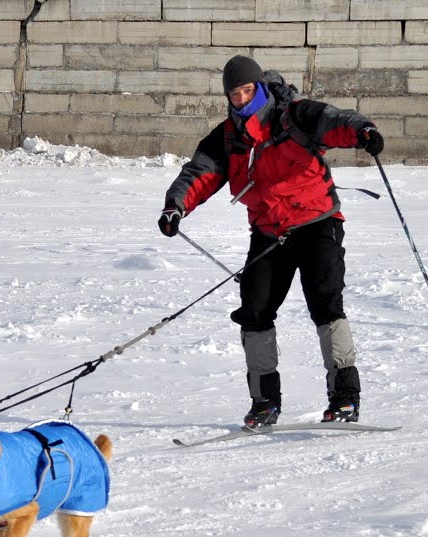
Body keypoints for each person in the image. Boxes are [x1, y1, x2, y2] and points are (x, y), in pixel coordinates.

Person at [159, 55, 384, 428]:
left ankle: (345, 398)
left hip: (317, 222)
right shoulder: (228, 137)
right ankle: (264, 401)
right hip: (270, 233)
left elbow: (335, 121)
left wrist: (363, 132)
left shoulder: (295, 114)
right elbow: (200, 172)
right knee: (255, 309)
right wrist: (175, 206)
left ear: (261, 87)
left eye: (249, 90)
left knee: (326, 303)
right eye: (235, 94)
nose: (243, 100)